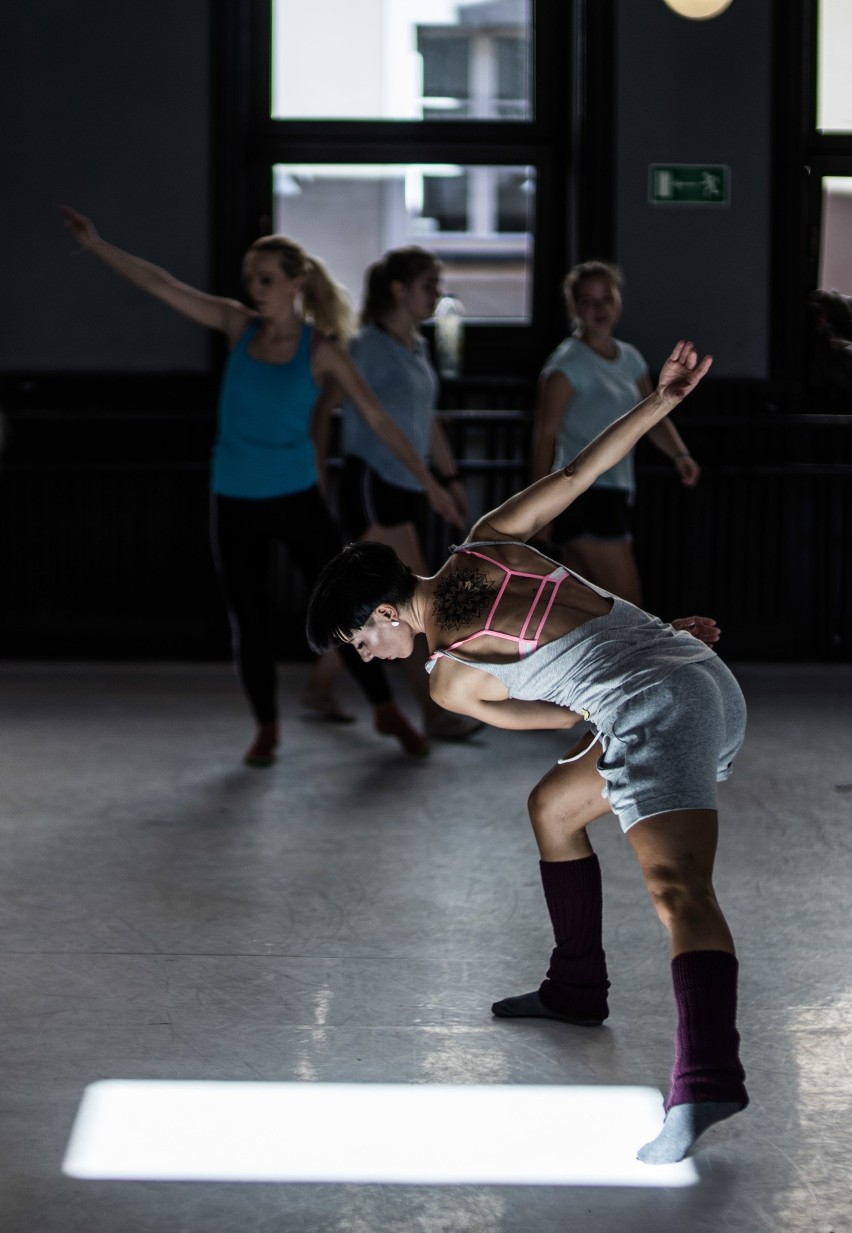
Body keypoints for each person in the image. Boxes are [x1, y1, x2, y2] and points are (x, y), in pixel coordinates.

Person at [306, 341, 748, 1164]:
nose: (366, 652)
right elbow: (581, 474)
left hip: (657, 701)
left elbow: (554, 715)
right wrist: (663, 401)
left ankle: (708, 1080)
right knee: (553, 806)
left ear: (387, 612)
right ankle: (576, 985)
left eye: (360, 635)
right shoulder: (486, 540)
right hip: (691, 672)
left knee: (677, 887)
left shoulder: (449, 683)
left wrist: (637, 679)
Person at [61, 206, 461, 766]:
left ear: (296, 285)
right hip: (234, 498)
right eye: (251, 279)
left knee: (348, 609)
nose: (255, 289)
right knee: (247, 619)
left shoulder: (321, 350)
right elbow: (162, 285)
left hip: (297, 498)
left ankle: (385, 708)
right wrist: (97, 244)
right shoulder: (235, 324)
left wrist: (433, 482)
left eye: (266, 279)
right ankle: (267, 727)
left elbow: (378, 420)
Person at [311, 245, 480, 741]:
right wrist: (317, 475)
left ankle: (320, 684)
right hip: (373, 484)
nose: (437, 293)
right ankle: (435, 711)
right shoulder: (365, 345)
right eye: (429, 284)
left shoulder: (416, 346)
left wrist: (448, 480)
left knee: (371, 601)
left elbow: (426, 425)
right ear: (399, 290)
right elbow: (324, 411)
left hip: (406, 485)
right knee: (409, 600)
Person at [531, 261, 700, 606]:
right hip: (582, 493)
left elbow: (651, 414)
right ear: (575, 307)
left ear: (618, 301)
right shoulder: (564, 366)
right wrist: (538, 509)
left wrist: (679, 454)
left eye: (606, 298)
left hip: (616, 492)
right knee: (627, 605)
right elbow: (545, 437)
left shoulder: (630, 359)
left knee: (590, 611)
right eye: (588, 301)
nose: (599, 309)